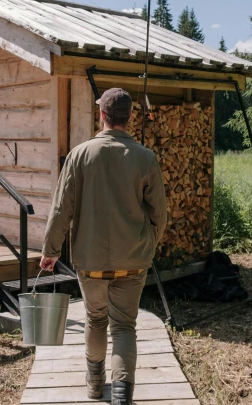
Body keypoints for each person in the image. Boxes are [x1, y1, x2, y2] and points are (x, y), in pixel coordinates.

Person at [39, 87, 168, 405]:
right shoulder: (145, 158)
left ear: (101, 115)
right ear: (129, 117)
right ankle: (122, 396)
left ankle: (95, 387)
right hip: (134, 259)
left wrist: (50, 251)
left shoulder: (80, 155)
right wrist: (148, 244)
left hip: (90, 259)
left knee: (96, 320)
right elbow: (159, 214)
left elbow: (61, 209)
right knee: (124, 325)